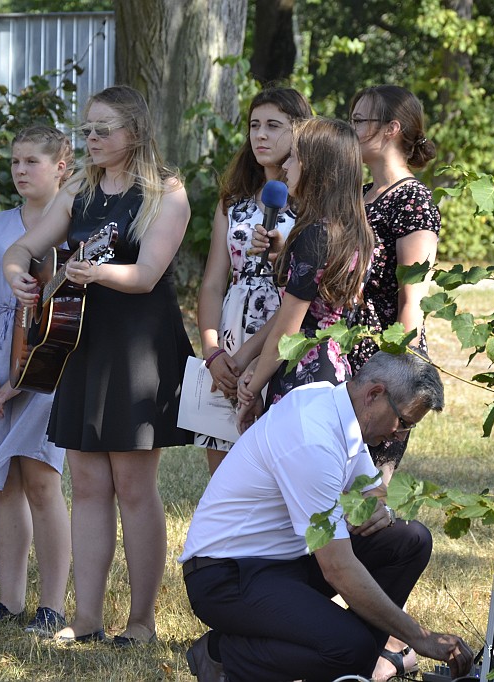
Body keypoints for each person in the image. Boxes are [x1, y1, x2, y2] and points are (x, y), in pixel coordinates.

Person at [2, 85, 193, 646]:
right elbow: (23, 248)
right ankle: (86, 619)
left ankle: (140, 622)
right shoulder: (79, 189)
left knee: (134, 485)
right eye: (87, 129)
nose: (91, 139)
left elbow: (148, 274)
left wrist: (95, 273)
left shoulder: (166, 192)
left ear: (135, 131)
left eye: (103, 129)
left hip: (138, 348)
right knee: (85, 482)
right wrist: (17, 272)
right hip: (81, 344)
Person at [180, 351, 474, 682]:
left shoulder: (338, 407)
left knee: (410, 540)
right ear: (375, 394)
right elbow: (337, 568)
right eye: (403, 422)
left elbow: (372, 494)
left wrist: (383, 511)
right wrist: (420, 637)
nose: (400, 436)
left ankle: (353, 666)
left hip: (283, 562)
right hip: (225, 576)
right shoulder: (313, 438)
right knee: (351, 648)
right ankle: (222, 654)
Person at [0, 126, 73, 635]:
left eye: (32, 162)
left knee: (41, 479)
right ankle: (9, 599)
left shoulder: (72, 229)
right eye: (15, 162)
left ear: (61, 167)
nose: (20, 170)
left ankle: (52, 605)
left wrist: (25, 376)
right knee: (5, 483)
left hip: (47, 366)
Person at [347, 84, 442, 682]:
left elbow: (413, 306)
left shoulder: (413, 201)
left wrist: (390, 376)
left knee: (368, 507)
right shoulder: (360, 194)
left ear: (391, 129)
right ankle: (355, 637)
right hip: (344, 369)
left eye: (360, 120)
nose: (351, 128)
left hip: (386, 376)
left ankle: (384, 644)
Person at [195, 87, 311, 474]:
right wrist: (213, 352)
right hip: (230, 337)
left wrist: (250, 358)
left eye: (273, 126)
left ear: (300, 131)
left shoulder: (312, 205)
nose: (260, 135)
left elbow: (304, 292)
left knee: (275, 470)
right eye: (254, 125)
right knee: (222, 476)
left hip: (285, 334)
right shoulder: (233, 201)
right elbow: (213, 283)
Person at [236, 117, 375, 431]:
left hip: (301, 378)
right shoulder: (357, 232)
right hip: (335, 375)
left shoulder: (315, 236)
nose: (285, 166)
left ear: (316, 168)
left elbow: (287, 333)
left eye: (294, 157)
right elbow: (322, 297)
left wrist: (252, 387)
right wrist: (285, 256)